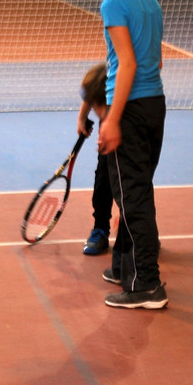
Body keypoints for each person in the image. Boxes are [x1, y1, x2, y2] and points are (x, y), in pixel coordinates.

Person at [84, 0, 167, 309]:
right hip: (154, 105)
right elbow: (156, 60)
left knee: (132, 199)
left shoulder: (113, 3)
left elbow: (127, 63)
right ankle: (124, 267)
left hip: (130, 108)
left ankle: (146, 285)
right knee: (137, 190)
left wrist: (112, 119)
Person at [75, 63, 113, 256]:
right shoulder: (99, 87)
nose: (94, 110)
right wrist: (82, 117)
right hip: (109, 130)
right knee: (102, 183)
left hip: (135, 133)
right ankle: (100, 229)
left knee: (134, 189)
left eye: (95, 106)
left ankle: (141, 234)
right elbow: (89, 94)